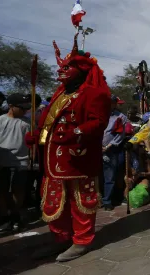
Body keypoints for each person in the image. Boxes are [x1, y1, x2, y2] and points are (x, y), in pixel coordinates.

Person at [25, 34, 111, 261]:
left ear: (81, 70)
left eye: (67, 67)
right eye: (61, 67)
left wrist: (78, 131)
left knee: (80, 200)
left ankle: (82, 241)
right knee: (55, 200)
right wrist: (38, 136)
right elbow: (50, 123)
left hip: (77, 159)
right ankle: (61, 238)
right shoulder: (59, 94)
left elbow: (99, 122)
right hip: (52, 160)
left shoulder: (95, 93)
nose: (60, 71)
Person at [0, 93, 32, 233]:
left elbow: (32, 143)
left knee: (18, 191)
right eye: (22, 107)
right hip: (1, 162)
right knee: (0, 191)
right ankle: (4, 217)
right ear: (11, 106)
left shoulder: (28, 123)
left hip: (21, 162)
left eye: (27, 107)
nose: (25, 110)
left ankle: (15, 216)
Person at [102, 95, 127, 210]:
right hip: (95, 148)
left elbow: (120, 135)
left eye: (112, 103)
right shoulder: (98, 114)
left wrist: (108, 146)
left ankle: (107, 201)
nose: (110, 105)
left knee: (110, 176)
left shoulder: (120, 117)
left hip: (110, 150)